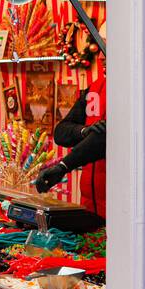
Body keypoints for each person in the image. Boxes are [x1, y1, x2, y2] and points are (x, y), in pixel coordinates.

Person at [36, 72, 107, 220]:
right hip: (89, 205)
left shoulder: (131, 90)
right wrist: (83, 131)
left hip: (119, 207)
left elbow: (103, 138)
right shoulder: (94, 89)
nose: (101, 58)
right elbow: (61, 132)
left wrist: (63, 166)